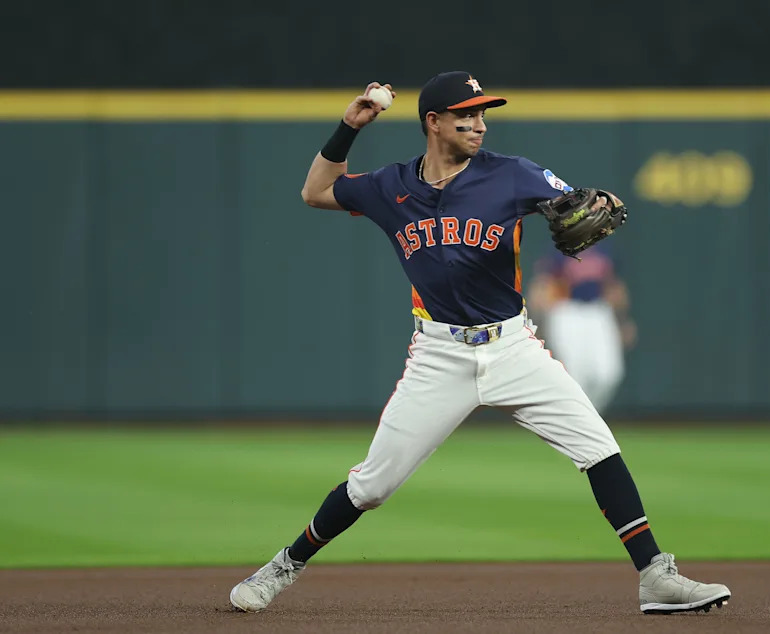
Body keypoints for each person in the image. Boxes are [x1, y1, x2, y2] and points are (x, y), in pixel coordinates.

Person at [229, 71, 731, 616]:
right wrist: (349, 127)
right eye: (466, 114)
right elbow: (315, 192)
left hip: (514, 346)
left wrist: (596, 200)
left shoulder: (512, 173)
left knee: (599, 448)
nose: (479, 124)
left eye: (483, 113)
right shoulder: (390, 186)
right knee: (371, 486)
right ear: (434, 122)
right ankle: (282, 566)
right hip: (439, 356)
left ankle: (656, 576)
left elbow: (580, 201)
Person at [527, 245, 636, 415]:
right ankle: (576, 418)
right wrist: (538, 322)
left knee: (609, 374)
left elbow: (614, 286)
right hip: (565, 311)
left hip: (599, 312)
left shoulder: (604, 250)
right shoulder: (560, 249)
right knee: (576, 373)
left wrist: (623, 320)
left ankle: (585, 416)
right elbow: (542, 285)